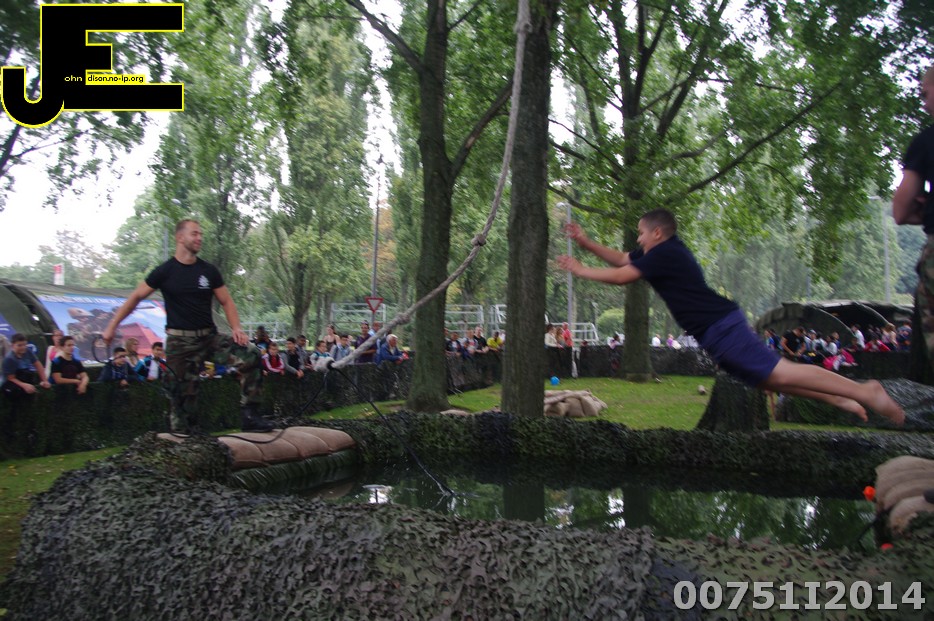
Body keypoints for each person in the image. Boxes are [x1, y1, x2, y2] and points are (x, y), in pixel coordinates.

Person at [558, 209, 905, 426]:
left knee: (780, 372)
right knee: (769, 381)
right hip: (716, 331)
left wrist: (581, 269)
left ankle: (865, 391)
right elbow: (623, 259)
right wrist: (586, 243)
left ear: (657, 233)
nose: (638, 239)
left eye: (641, 233)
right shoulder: (659, 253)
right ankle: (838, 397)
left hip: (721, 326)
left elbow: (623, 275)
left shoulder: (665, 254)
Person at [102, 218, 273, 433]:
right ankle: (185, 432)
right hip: (179, 343)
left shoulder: (208, 271)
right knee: (182, 404)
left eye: (201, 234)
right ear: (180, 237)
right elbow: (136, 297)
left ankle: (250, 415)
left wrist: (236, 328)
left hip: (209, 338)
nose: (199, 238)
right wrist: (112, 326)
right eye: (194, 234)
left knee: (251, 354)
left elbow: (226, 301)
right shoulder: (165, 271)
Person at [2, 333, 51, 398]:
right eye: (19, 345)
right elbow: (11, 378)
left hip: (25, 377)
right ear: (12, 346)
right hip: (11, 383)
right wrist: (24, 385)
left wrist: (44, 380)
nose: (23, 347)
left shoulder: (28, 351)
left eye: (25, 345)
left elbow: (38, 365)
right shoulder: (9, 359)